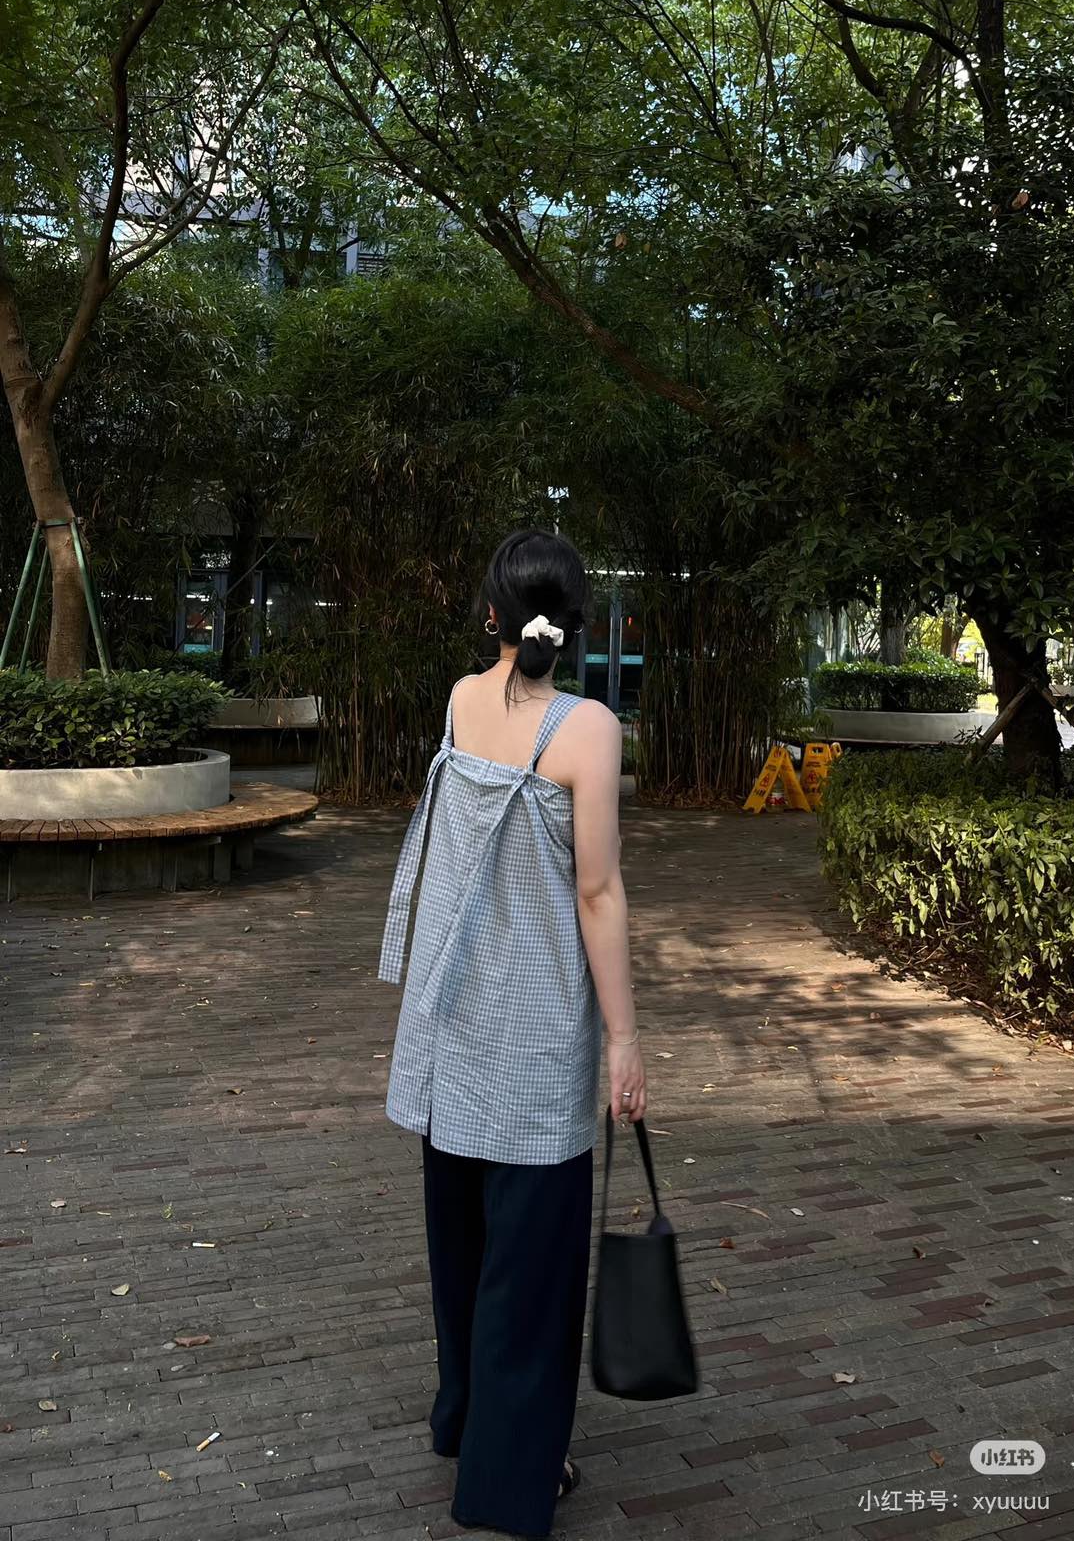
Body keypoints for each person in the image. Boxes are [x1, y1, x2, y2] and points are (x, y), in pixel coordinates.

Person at [377, 526, 646, 1539]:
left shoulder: (459, 701)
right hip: (533, 1041)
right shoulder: (590, 729)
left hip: (451, 1028)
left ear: (492, 614)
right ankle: (504, 1479)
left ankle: (463, 1418)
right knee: (527, 1277)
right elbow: (598, 892)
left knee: (463, 1248)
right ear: (575, 624)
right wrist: (624, 1038)